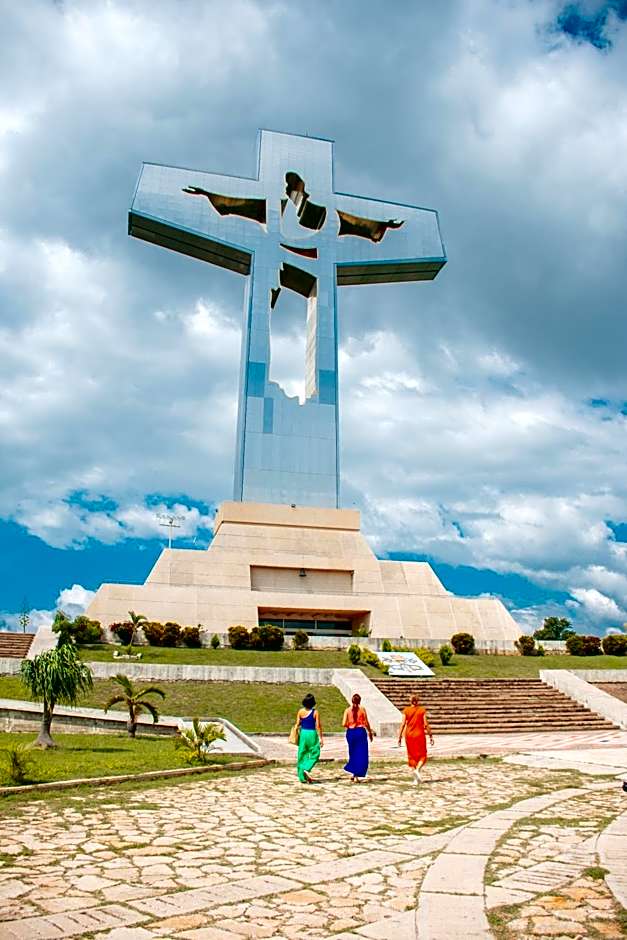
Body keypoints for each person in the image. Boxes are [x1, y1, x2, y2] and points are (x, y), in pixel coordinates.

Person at [398, 693, 433, 784]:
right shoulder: (422, 710)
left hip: (409, 735)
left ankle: (415, 779)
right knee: (422, 754)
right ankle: (417, 770)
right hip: (419, 734)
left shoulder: (406, 710)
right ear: (417, 701)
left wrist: (399, 737)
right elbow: (425, 724)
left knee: (411, 755)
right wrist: (430, 735)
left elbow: (402, 724)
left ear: (410, 701)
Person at [342, 693, 374, 782]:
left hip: (351, 732)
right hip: (360, 732)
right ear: (360, 701)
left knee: (353, 753)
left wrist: (350, 724)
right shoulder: (362, 709)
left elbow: (344, 723)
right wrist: (370, 732)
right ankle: (356, 773)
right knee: (361, 753)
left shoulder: (347, 710)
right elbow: (366, 722)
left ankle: (354, 773)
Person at [295, 692, 324, 784]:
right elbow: (318, 726)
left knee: (302, 753)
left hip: (303, 733)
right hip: (311, 733)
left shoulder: (300, 711)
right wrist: (321, 738)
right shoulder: (315, 712)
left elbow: (298, 723)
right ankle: (307, 767)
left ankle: (301, 776)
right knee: (315, 752)